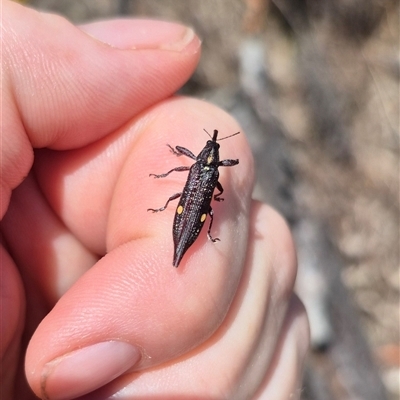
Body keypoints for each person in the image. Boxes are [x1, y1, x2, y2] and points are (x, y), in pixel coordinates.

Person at [1, 1, 309, 399]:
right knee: (191, 217)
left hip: (187, 213)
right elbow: (211, 191)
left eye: (211, 154)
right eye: (210, 152)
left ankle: (189, 237)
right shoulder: (208, 173)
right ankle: (189, 237)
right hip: (187, 213)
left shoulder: (205, 170)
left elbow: (209, 189)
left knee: (191, 216)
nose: (210, 154)